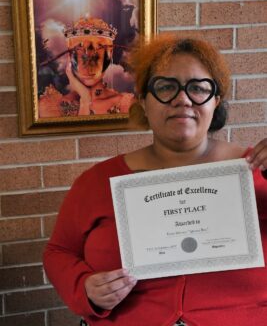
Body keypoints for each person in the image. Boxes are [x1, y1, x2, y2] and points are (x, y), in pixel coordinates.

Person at [43, 35, 267, 326]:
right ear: (143, 102)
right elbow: (58, 251)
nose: (182, 99)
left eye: (198, 88)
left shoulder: (258, 173)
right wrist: (83, 287)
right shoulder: (98, 182)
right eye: (165, 87)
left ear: (216, 102)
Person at [38, 17, 135, 117]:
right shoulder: (51, 106)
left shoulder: (127, 105)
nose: (89, 63)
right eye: (80, 49)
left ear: (110, 54)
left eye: (99, 48)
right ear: (69, 55)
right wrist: (85, 100)